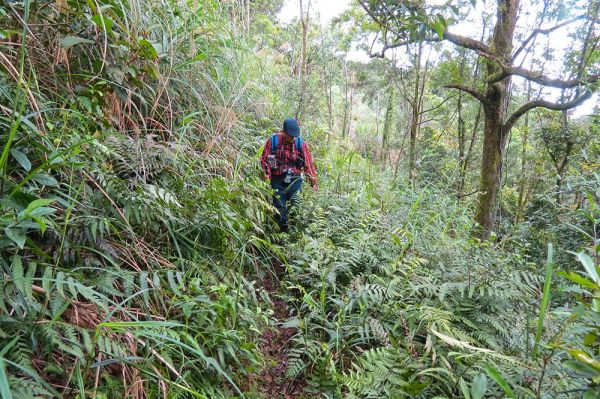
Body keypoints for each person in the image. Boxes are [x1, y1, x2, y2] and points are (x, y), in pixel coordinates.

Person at [260, 118, 318, 232]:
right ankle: (282, 235)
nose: (293, 139)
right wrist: (266, 178)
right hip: (277, 181)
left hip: (295, 181)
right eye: (290, 136)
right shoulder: (273, 141)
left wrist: (314, 183)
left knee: (295, 208)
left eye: (295, 136)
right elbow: (264, 161)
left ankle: (294, 235)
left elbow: (308, 164)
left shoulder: (300, 144)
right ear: (283, 132)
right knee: (279, 211)